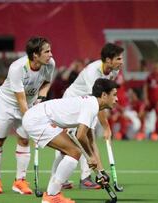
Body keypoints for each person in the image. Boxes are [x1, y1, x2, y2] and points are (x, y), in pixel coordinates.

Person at [23, 78, 118, 203]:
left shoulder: (92, 106)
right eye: (114, 95)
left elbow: (90, 141)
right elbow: (80, 136)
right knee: (74, 152)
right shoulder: (92, 106)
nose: (117, 99)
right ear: (104, 95)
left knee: (74, 152)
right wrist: (90, 158)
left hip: (39, 118)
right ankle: (52, 195)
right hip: (38, 120)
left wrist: (100, 170)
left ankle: (52, 195)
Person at [50, 43, 124, 189]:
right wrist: (106, 127)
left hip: (88, 105)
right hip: (72, 103)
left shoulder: (113, 72)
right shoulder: (93, 72)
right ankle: (57, 179)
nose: (121, 62)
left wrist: (105, 126)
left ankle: (85, 177)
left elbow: (102, 101)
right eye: (119, 59)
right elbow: (98, 101)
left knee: (88, 139)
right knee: (68, 144)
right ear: (108, 60)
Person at [0, 36, 55, 195]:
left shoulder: (50, 64)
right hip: (7, 104)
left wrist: (40, 98)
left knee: (24, 139)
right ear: (35, 55)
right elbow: (20, 100)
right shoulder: (17, 68)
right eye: (47, 51)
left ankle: (20, 181)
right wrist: (35, 119)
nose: (51, 55)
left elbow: (46, 83)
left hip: (29, 103)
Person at [143, 60, 158, 141]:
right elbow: (145, 88)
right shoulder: (149, 76)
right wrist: (146, 98)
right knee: (144, 115)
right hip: (150, 100)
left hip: (157, 100)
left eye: (157, 67)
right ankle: (143, 132)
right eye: (154, 67)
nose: (155, 69)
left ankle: (155, 133)